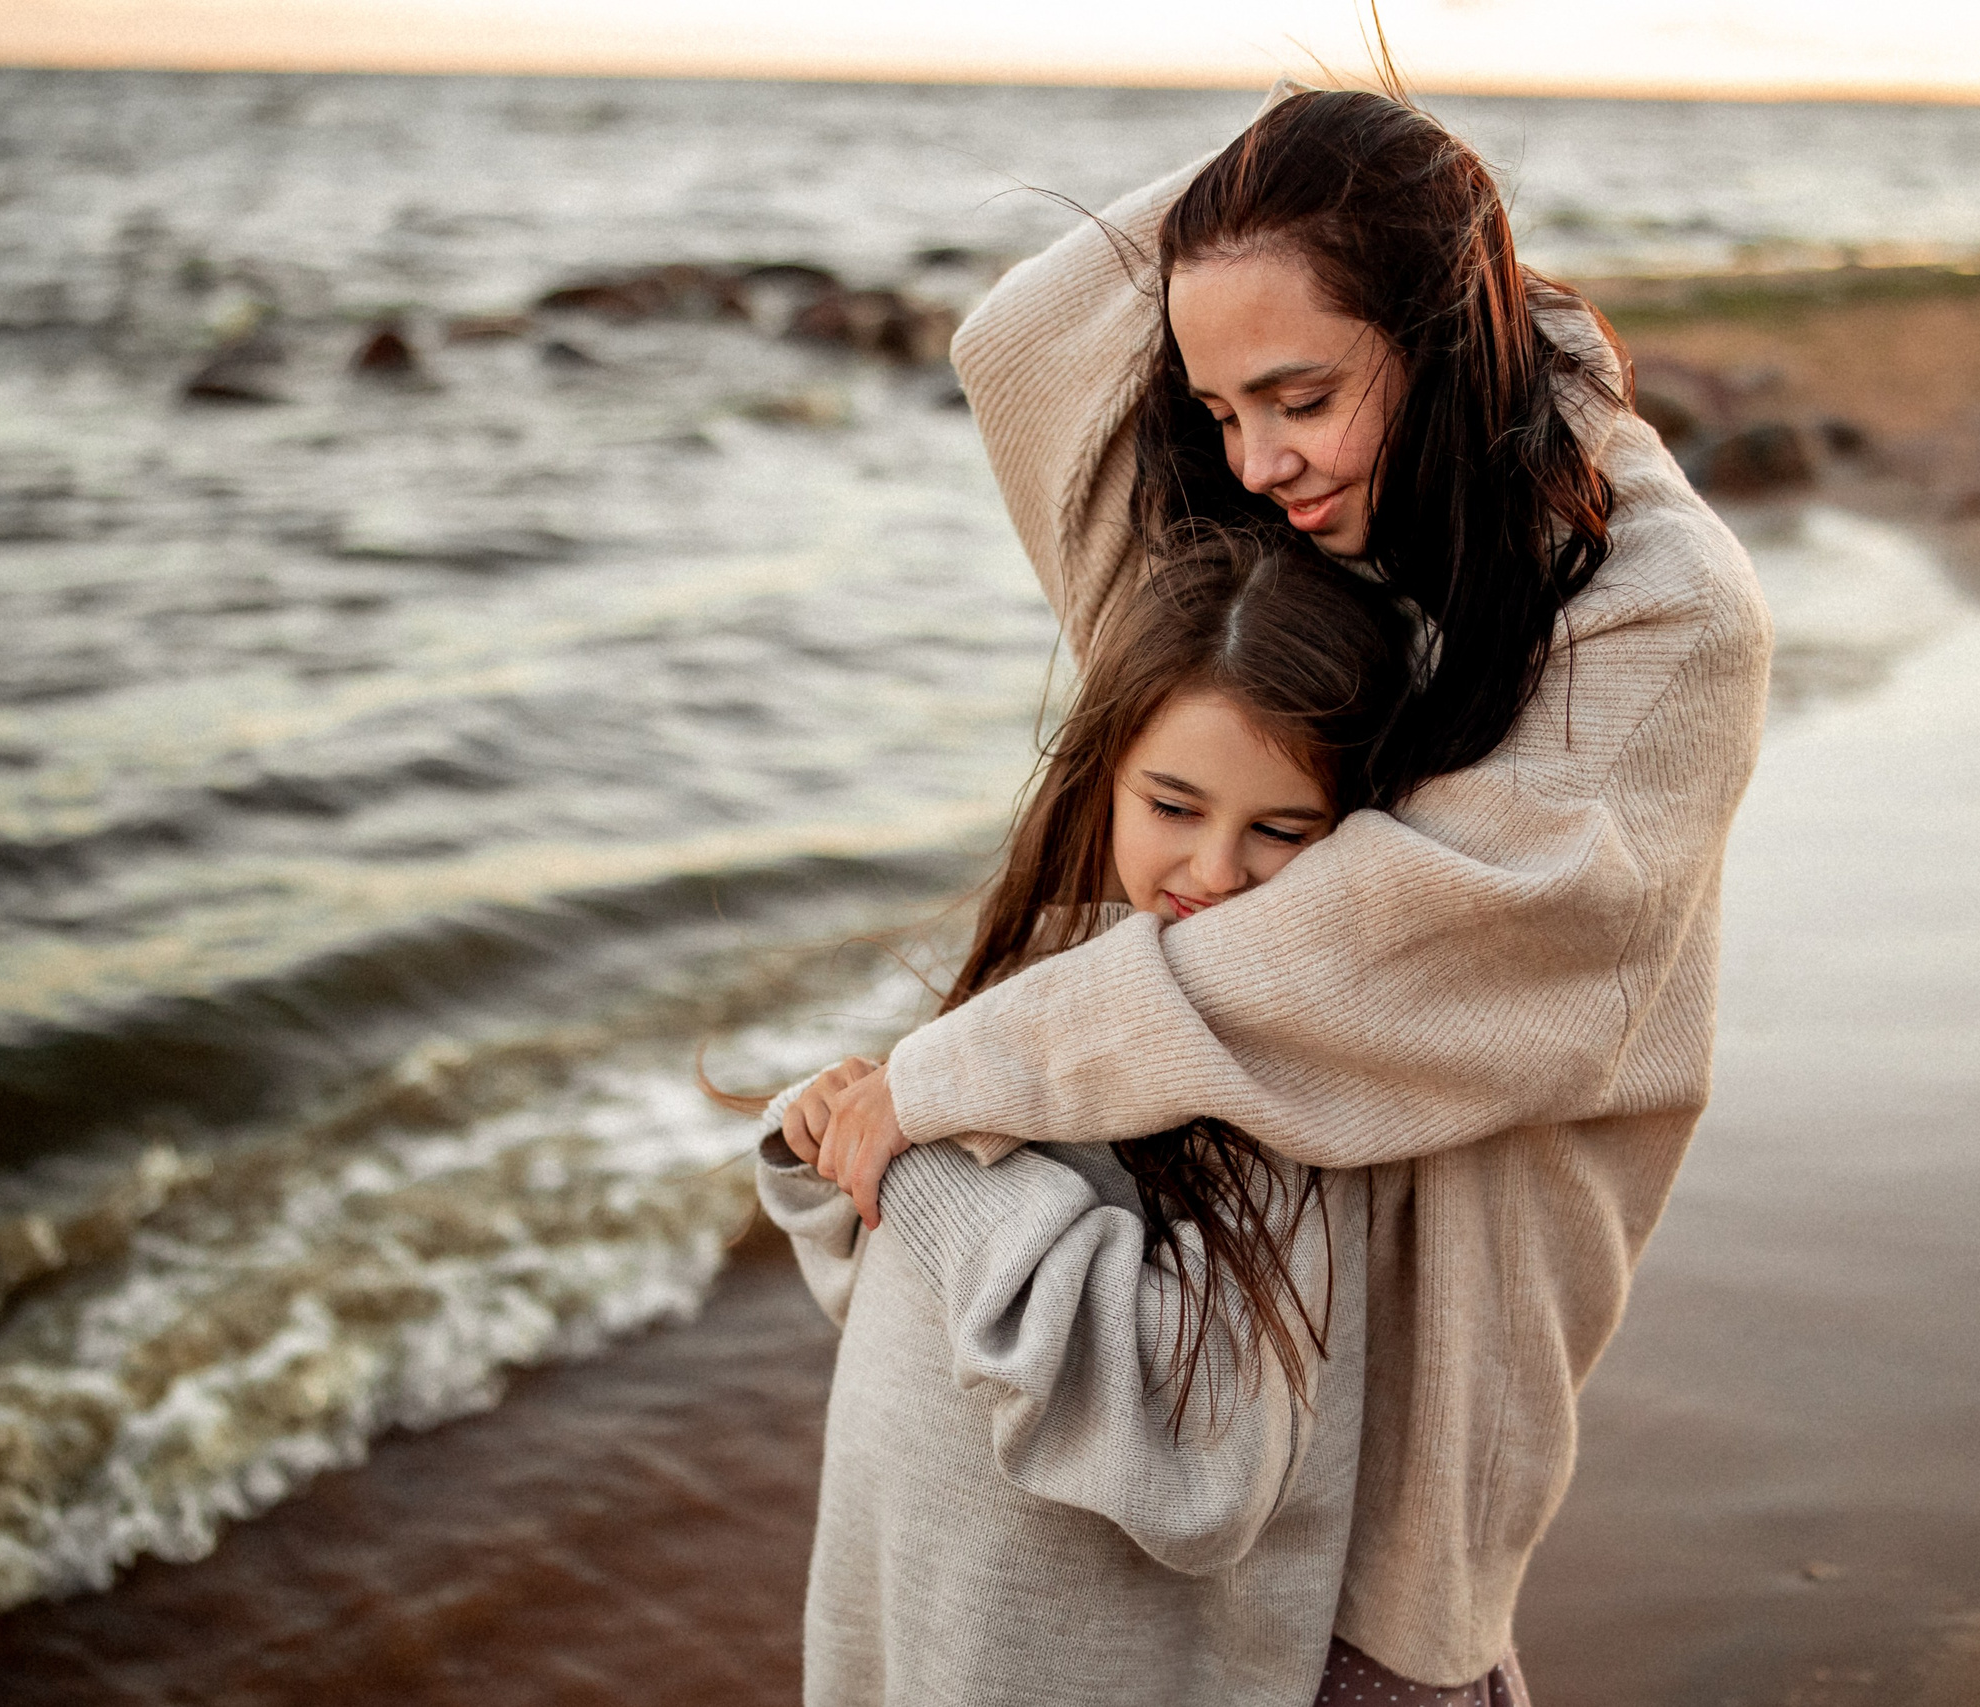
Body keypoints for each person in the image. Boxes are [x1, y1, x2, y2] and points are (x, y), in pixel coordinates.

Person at [810, 83, 1774, 1692]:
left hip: (1402, 1484)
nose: (1256, 462)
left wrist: (938, 1082)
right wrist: (1322, 159)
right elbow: (1020, 346)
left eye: (1299, 392)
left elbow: (1326, 964)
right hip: (1190, 1413)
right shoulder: (1333, 528)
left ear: (1442, 321)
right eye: (1219, 407)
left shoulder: (1660, 618)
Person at [751, 527, 1414, 1705]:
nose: (1212, 871)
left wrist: (932, 1178)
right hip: (910, 1627)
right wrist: (836, 1149)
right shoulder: (1043, 981)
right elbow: (933, 1321)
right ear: (1104, 772)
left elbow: (1209, 1466)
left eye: (1281, 830)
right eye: (1172, 804)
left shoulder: (1283, 1078)